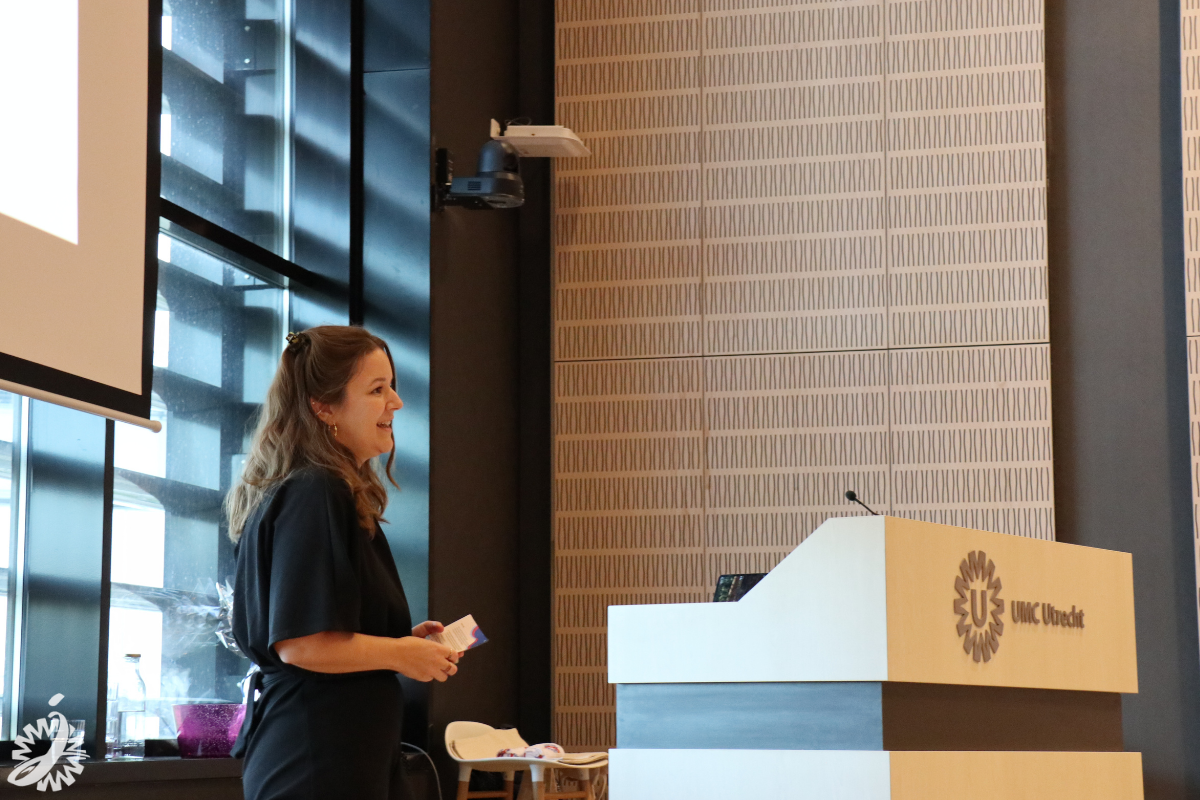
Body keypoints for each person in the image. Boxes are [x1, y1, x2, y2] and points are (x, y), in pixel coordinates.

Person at [226, 325, 459, 800]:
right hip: (317, 755)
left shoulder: (311, 489)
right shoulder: (316, 489)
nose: (396, 402)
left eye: (392, 387)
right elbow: (301, 645)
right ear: (324, 407)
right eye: (377, 389)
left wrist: (399, 645)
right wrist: (399, 654)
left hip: (334, 750)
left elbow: (316, 634)